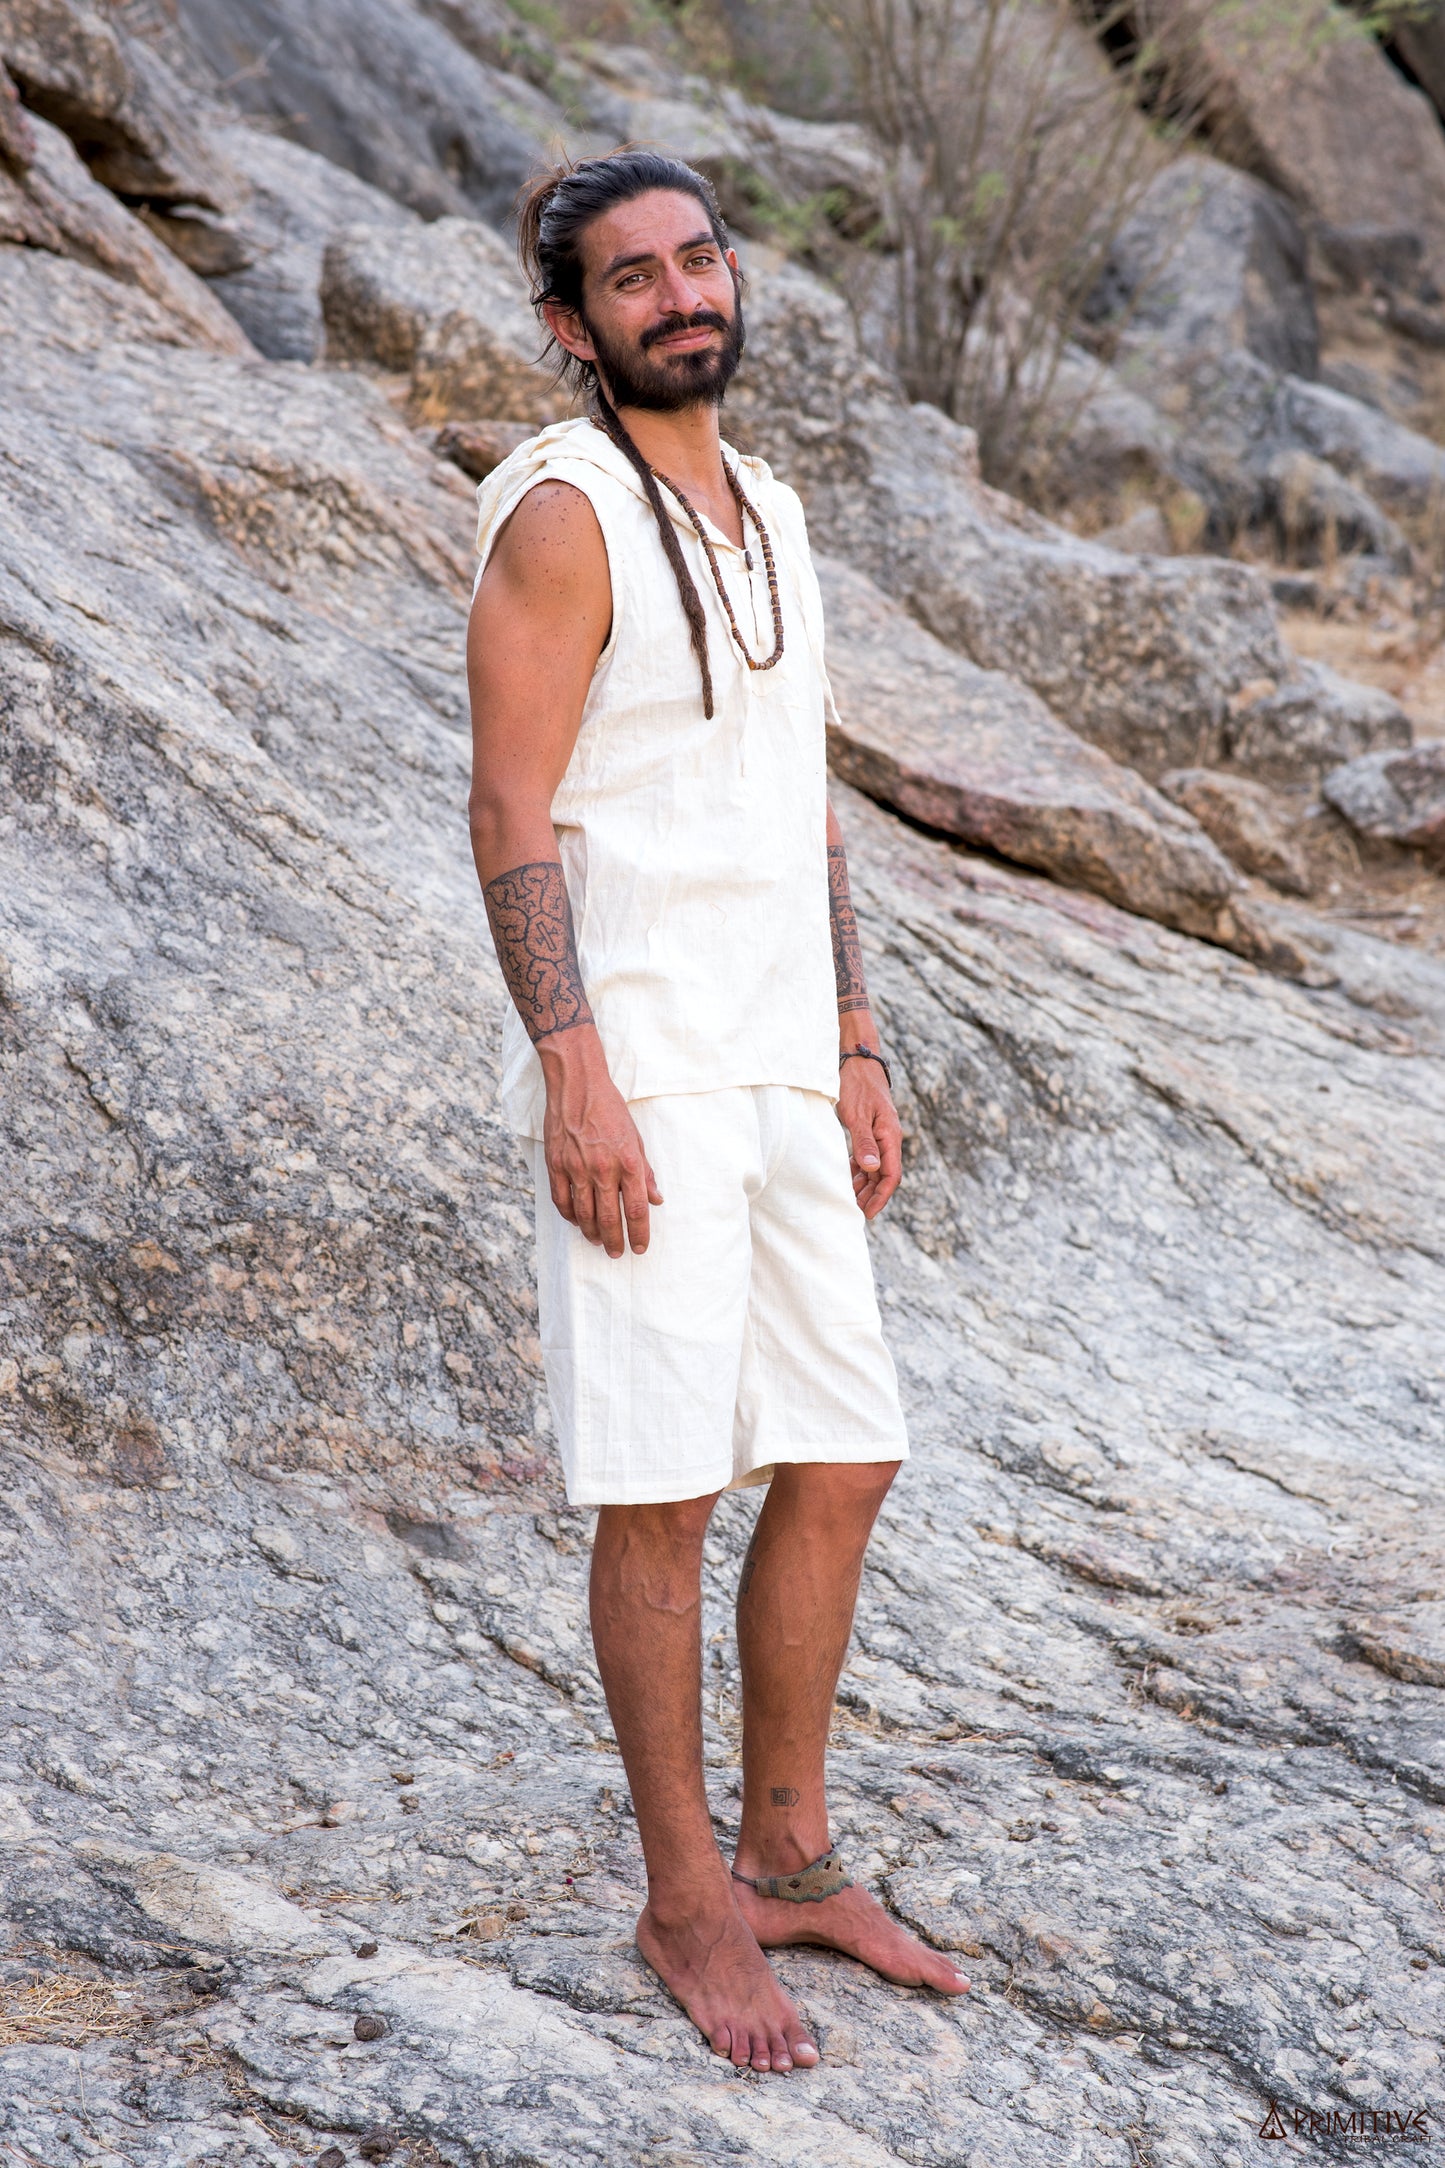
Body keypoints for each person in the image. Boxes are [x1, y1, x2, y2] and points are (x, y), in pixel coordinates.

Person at [466, 148, 969, 2076]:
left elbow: (797, 797)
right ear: (569, 323)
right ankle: (685, 1899)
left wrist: (852, 1034)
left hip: (777, 1059)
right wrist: (572, 1071)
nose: (682, 295)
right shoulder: (562, 511)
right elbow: (509, 806)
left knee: (843, 1455)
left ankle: (788, 1857)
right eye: (632, 277)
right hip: (646, 1069)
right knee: (662, 1488)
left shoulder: (773, 508)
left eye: (698, 260)